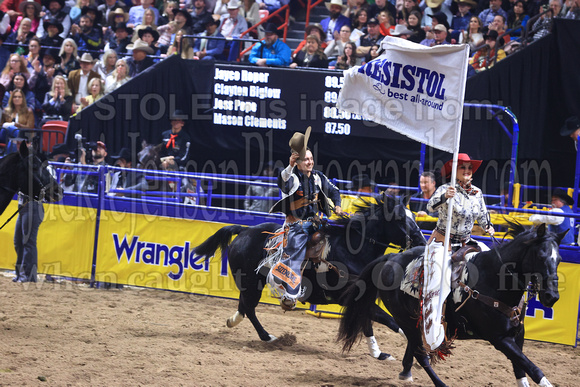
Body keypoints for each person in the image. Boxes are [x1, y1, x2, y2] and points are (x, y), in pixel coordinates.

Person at [422, 153, 494, 351]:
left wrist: (488, 226)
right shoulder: (446, 189)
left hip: (466, 242)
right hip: (442, 242)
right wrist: (445, 197)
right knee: (439, 279)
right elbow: (429, 207)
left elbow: (482, 215)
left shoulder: (477, 193)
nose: (468, 171)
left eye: (470, 168)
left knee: (490, 261)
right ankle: (432, 325)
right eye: (463, 168)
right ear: (455, 172)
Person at [267, 127, 342, 310]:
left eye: (310, 159)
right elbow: (283, 183)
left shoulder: (318, 177)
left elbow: (334, 190)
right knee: (296, 254)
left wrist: (337, 205)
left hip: (316, 223)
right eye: (305, 160)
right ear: (298, 162)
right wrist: (290, 165)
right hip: (296, 227)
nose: (309, 162)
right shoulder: (293, 178)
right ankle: (290, 293)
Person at [13, 185, 45, 283]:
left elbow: (45, 190)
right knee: (18, 242)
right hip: (23, 206)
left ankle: (28, 275)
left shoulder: (44, 171)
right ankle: (20, 273)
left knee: (28, 242)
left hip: (33, 205)